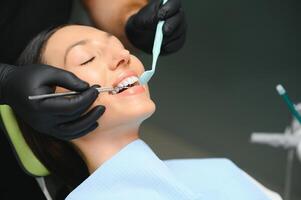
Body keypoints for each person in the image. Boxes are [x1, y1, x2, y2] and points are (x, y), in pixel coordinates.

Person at [14, 24, 282, 200]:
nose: (124, 57)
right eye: (87, 58)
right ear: (46, 108)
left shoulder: (220, 170)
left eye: (122, 48)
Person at [0, 0, 186, 198]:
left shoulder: (216, 171)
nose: (123, 55)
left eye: (118, 45)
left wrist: (129, 16)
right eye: (86, 59)